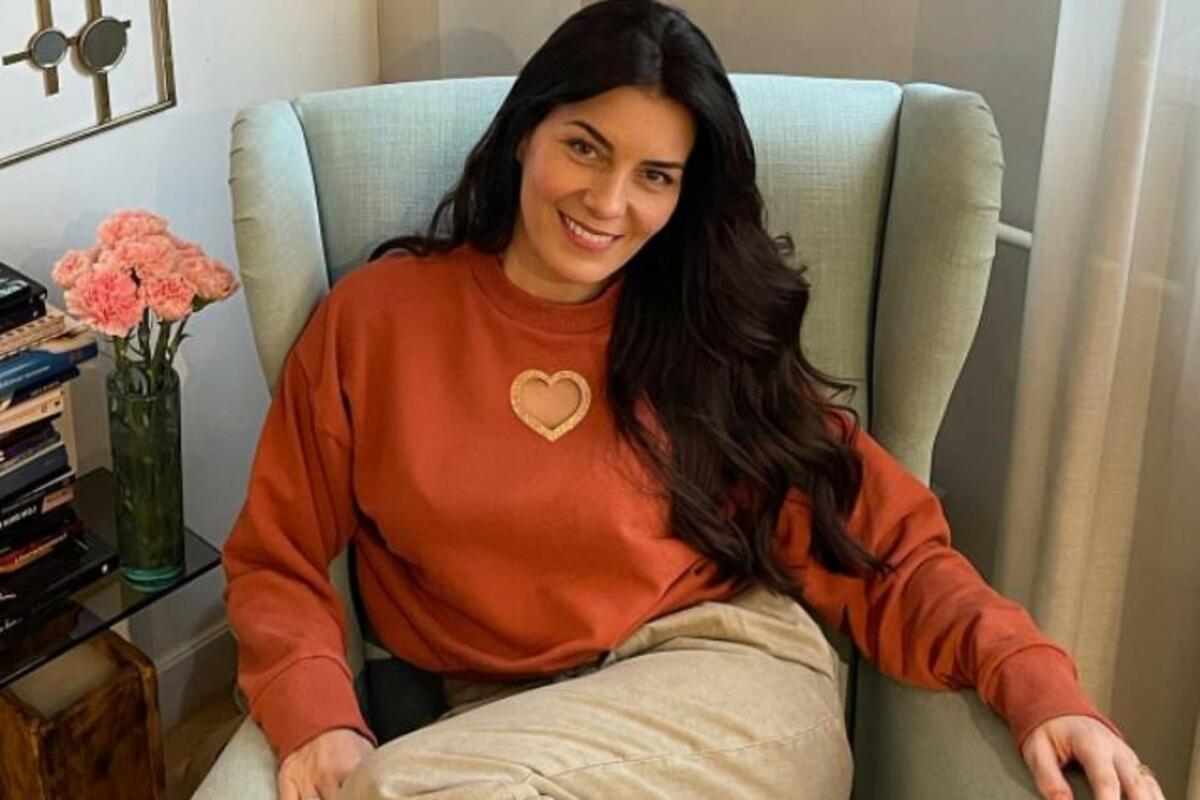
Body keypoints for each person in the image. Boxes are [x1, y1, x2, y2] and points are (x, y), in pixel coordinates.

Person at [221, 1, 1164, 799]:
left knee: (394, 791)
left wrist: (1033, 678)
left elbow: (887, 546)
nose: (608, 202)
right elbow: (278, 554)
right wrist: (317, 714)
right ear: (524, 135)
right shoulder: (376, 322)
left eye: (655, 176)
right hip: (499, 724)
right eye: (584, 147)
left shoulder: (709, 336)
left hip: (725, 685)